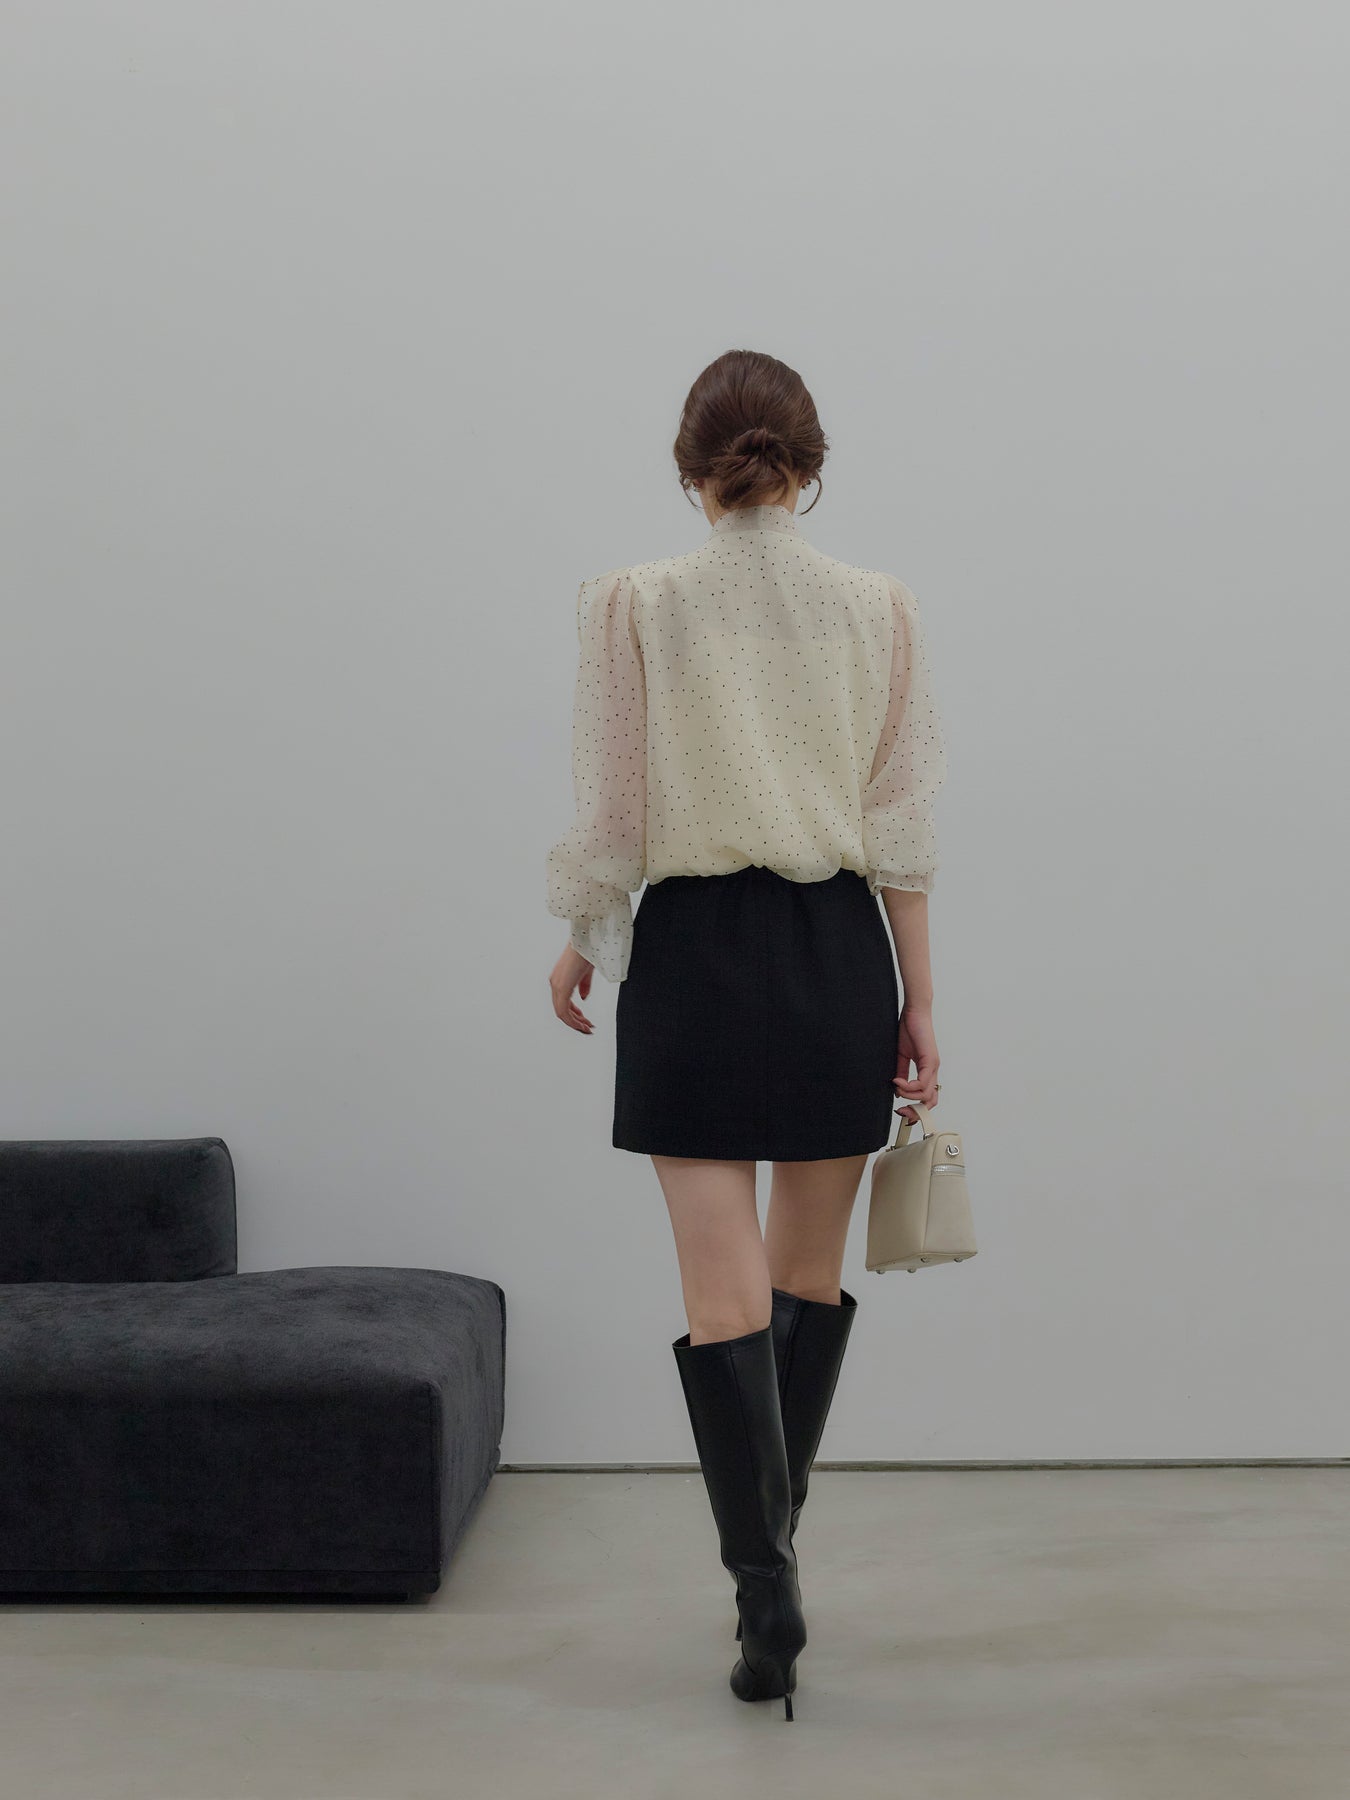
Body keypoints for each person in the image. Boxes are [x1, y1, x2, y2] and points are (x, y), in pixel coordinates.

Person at [545, 348, 947, 1721]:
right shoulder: (879, 609)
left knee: (720, 1302)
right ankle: (773, 1568)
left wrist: (584, 933)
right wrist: (920, 1002)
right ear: (808, 465)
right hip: (836, 957)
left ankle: (763, 1591)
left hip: (693, 963)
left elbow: (612, 809)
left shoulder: (634, 602)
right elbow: (898, 827)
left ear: (691, 466)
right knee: (803, 1285)